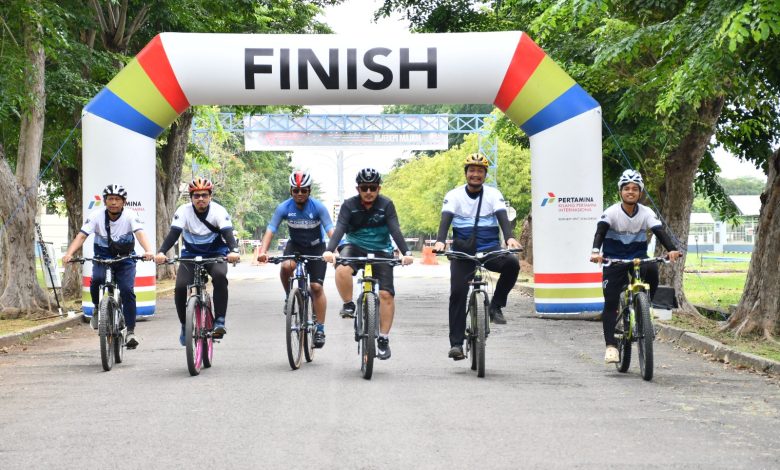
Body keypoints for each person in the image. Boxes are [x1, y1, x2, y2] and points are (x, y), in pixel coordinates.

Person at [433, 153, 522, 361]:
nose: (475, 174)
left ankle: (496, 306)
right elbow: (445, 219)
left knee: (512, 263)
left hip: (489, 249)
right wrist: (440, 241)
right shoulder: (454, 195)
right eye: (472, 170)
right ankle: (456, 344)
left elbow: (502, 217)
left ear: (485, 174)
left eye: (480, 171)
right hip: (463, 252)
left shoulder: (493, 194)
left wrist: (509, 238)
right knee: (457, 294)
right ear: (466, 173)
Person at [590, 169, 681, 363]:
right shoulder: (611, 212)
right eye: (626, 188)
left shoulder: (646, 213)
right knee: (611, 302)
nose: (630, 192)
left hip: (638, 257)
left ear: (640, 192)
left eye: (635, 189)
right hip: (614, 260)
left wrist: (672, 249)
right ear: (620, 191)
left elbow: (659, 231)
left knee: (652, 269)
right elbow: (600, 232)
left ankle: (644, 308)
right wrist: (596, 251)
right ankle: (611, 346)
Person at [322, 168, 414, 360]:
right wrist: (330, 250)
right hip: (354, 246)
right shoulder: (349, 205)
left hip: (381, 249)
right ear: (358, 189)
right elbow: (340, 229)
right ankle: (348, 304)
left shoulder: (386, 205)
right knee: (341, 269)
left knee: (386, 294)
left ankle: (383, 338)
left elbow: (395, 230)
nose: (369, 192)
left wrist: (406, 253)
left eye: (373, 188)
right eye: (364, 188)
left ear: (379, 188)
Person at [62, 184, 154, 349]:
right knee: (97, 279)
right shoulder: (96, 216)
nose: (113, 202)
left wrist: (148, 251)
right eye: (110, 199)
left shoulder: (130, 215)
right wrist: (69, 253)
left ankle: (130, 332)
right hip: (102, 258)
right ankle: (98, 308)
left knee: (127, 290)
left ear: (124, 202)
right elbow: (82, 236)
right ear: (105, 201)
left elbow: (140, 233)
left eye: (117, 199)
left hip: (125, 259)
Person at [154, 177, 241, 345]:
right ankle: (185, 325)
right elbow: (174, 234)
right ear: (191, 197)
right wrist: (161, 252)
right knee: (180, 287)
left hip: (215, 254)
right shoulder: (183, 211)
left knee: (220, 276)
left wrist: (234, 251)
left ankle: (219, 321)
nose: (200, 199)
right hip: (190, 255)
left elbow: (228, 234)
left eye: (204, 195)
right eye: (196, 195)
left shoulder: (218, 211)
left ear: (210, 196)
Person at [256, 170, 334, 348]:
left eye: (303, 190)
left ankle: (320, 329)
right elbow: (271, 229)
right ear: (291, 191)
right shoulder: (284, 207)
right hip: (295, 245)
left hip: (316, 247)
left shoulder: (318, 207)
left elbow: (331, 229)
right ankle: (288, 297)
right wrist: (263, 251)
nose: (299, 194)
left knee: (316, 287)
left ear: (309, 191)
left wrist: (336, 250)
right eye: (296, 190)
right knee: (285, 267)